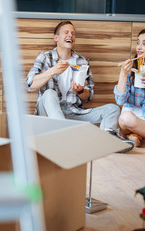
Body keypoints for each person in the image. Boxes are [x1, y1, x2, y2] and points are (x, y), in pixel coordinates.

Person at [25, 20, 134, 152]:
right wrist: (53, 70)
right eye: (66, 32)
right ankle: (65, 137)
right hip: (48, 113)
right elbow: (30, 85)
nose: (70, 35)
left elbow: (88, 96)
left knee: (113, 109)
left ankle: (107, 140)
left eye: (73, 33)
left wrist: (80, 91)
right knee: (49, 93)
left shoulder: (81, 61)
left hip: (73, 112)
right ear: (56, 38)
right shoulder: (45, 57)